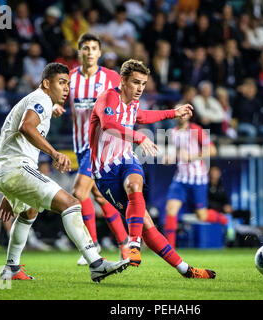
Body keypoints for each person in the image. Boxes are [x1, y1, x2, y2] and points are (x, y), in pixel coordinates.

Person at [0, 62, 129, 282]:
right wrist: (56, 154)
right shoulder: (41, 99)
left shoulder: (38, 100)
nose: (67, 88)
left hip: (7, 170)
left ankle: (12, 268)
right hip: (15, 168)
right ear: (47, 83)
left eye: (68, 84)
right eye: (61, 83)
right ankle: (96, 263)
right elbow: (26, 127)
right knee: (71, 203)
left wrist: (9, 189)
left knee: (29, 212)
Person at [89, 58, 216, 279]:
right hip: (105, 172)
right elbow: (109, 125)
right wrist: (138, 136)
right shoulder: (108, 97)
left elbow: (142, 116)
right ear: (123, 80)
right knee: (147, 224)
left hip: (126, 160)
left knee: (135, 184)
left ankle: (138, 247)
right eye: (136, 82)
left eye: (143, 84)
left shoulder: (134, 104)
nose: (140, 88)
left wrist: (172, 113)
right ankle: (180, 267)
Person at [65, 33, 130, 266]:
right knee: (100, 198)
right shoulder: (70, 78)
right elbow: (54, 96)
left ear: (100, 53)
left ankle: (91, 247)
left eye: (94, 48)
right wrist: (53, 106)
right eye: (85, 48)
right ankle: (125, 245)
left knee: (79, 193)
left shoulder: (111, 77)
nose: (90, 51)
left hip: (101, 145)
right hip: (80, 145)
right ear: (79, 52)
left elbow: (128, 101)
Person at [163, 112, 233, 249]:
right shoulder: (172, 132)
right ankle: (168, 249)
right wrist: (168, 159)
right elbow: (175, 154)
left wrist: (193, 156)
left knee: (201, 215)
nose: (181, 116)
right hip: (180, 179)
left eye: (184, 113)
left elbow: (212, 150)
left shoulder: (196, 130)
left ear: (189, 116)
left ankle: (225, 220)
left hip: (198, 179)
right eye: (179, 113)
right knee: (170, 209)